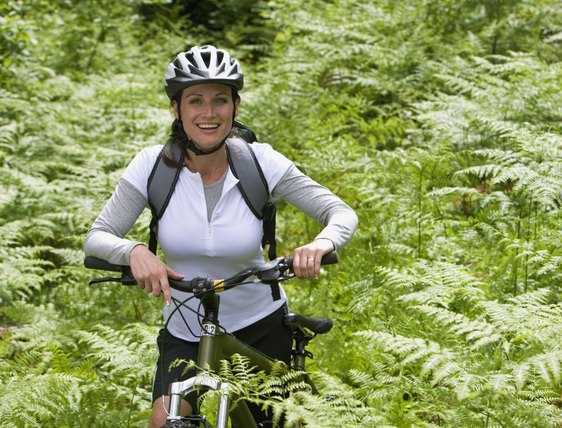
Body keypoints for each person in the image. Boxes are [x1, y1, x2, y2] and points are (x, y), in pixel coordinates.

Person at [84, 45, 358, 427]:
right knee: (164, 423)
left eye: (220, 100)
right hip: (184, 328)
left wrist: (321, 243)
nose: (208, 113)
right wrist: (132, 251)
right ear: (176, 110)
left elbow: (340, 213)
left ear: (236, 107)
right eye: (195, 101)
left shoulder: (261, 162)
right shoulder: (151, 167)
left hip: (259, 325)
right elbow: (97, 236)